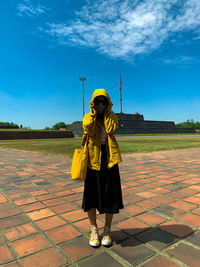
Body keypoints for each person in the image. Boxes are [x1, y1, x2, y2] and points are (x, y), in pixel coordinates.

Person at [81, 88, 124, 247]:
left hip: (109, 159)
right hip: (93, 159)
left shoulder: (111, 117)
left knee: (111, 195)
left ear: (107, 103)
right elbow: (90, 129)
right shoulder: (88, 117)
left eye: (103, 101)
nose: (100, 104)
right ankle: (93, 228)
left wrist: (106, 113)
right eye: (97, 101)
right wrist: (94, 112)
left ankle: (107, 229)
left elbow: (111, 129)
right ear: (93, 103)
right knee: (91, 194)